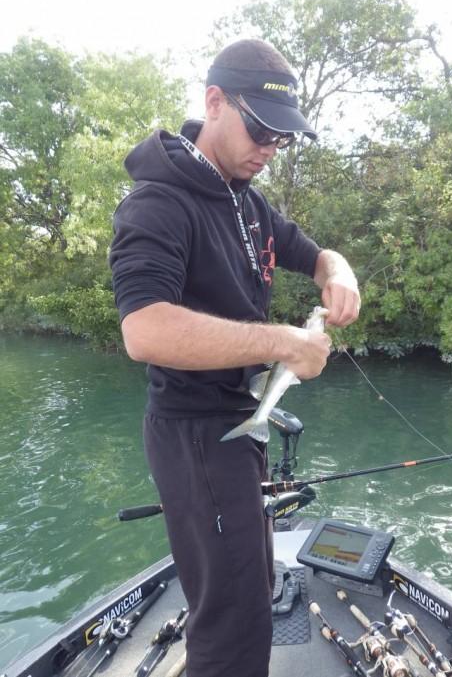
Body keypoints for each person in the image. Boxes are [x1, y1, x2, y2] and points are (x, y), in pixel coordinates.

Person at [109, 38, 361, 677]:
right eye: (261, 131)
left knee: (247, 593)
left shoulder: (247, 201)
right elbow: (145, 329)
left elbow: (315, 253)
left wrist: (341, 271)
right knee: (234, 627)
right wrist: (284, 342)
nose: (270, 149)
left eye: (283, 139)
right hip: (195, 434)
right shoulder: (157, 203)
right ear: (214, 101)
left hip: (239, 426)